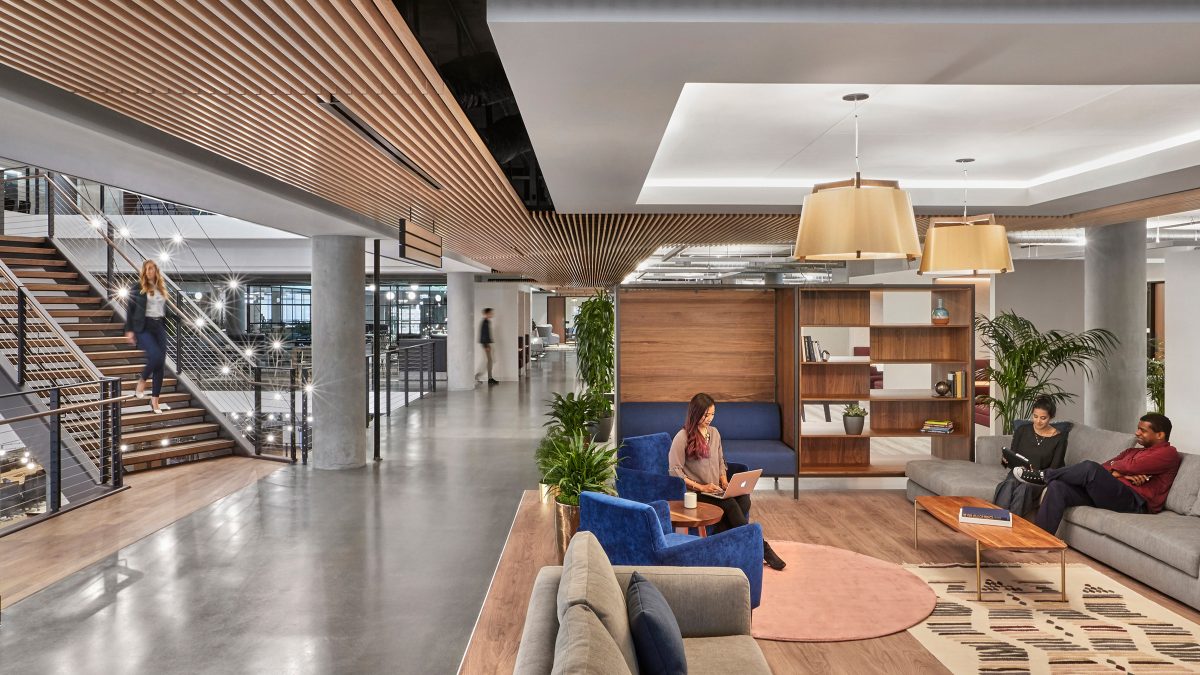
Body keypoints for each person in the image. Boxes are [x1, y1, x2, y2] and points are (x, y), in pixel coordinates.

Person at [668, 393, 787, 571]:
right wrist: (701, 486)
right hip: (696, 493)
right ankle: (762, 549)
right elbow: (674, 471)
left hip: (715, 490)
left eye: (712, 414)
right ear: (695, 413)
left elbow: (721, 461)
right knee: (730, 505)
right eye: (705, 415)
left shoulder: (714, 433)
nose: (709, 418)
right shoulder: (682, 436)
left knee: (744, 499)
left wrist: (724, 481)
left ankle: (718, 542)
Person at [1015, 413, 1181, 535]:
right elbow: (1106, 466)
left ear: (1160, 435)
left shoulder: (1168, 454)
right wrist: (1119, 473)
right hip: (1112, 492)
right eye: (1138, 429)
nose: (1137, 433)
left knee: (1089, 468)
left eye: (1143, 430)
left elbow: (1129, 467)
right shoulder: (1132, 451)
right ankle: (1039, 539)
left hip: (1135, 501)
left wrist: (1119, 469)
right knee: (1058, 486)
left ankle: (1043, 476)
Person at [991, 397, 1069, 516]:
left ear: (1051, 417)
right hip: (1018, 473)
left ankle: (1013, 526)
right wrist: (1006, 460)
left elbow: (1055, 469)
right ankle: (996, 519)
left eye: (1043, 418)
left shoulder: (1059, 439)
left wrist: (1035, 473)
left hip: (1038, 479)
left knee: (1024, 489)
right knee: (1009, 484)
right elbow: (1012, 458)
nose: (1038, 421)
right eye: (1035, 416)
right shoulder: (1022, 431)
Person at [124, 260, 171, 414]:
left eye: (152, 269)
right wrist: (129, 330)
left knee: (160, 364)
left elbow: (165, 311)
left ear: (156, 271)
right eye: (147, 269)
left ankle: (155, 401)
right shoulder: (137, 287)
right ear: (144, 271)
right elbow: (130, 309)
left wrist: (182, 320)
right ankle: (142, 380)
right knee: (155, 356)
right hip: (144, 327)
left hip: (159, 327)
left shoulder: (161, 288)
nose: (149, 271)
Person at [479, 307, 498, 385]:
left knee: (489, 361)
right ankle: (478, 376)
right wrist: (486, 345)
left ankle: (489, 378)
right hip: (485, 344)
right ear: (487, 313)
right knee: (489, 361)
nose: (492, 314)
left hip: (487, 344)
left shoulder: (487, 322)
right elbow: (483, 334)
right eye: (490, 313)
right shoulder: (484, 322)